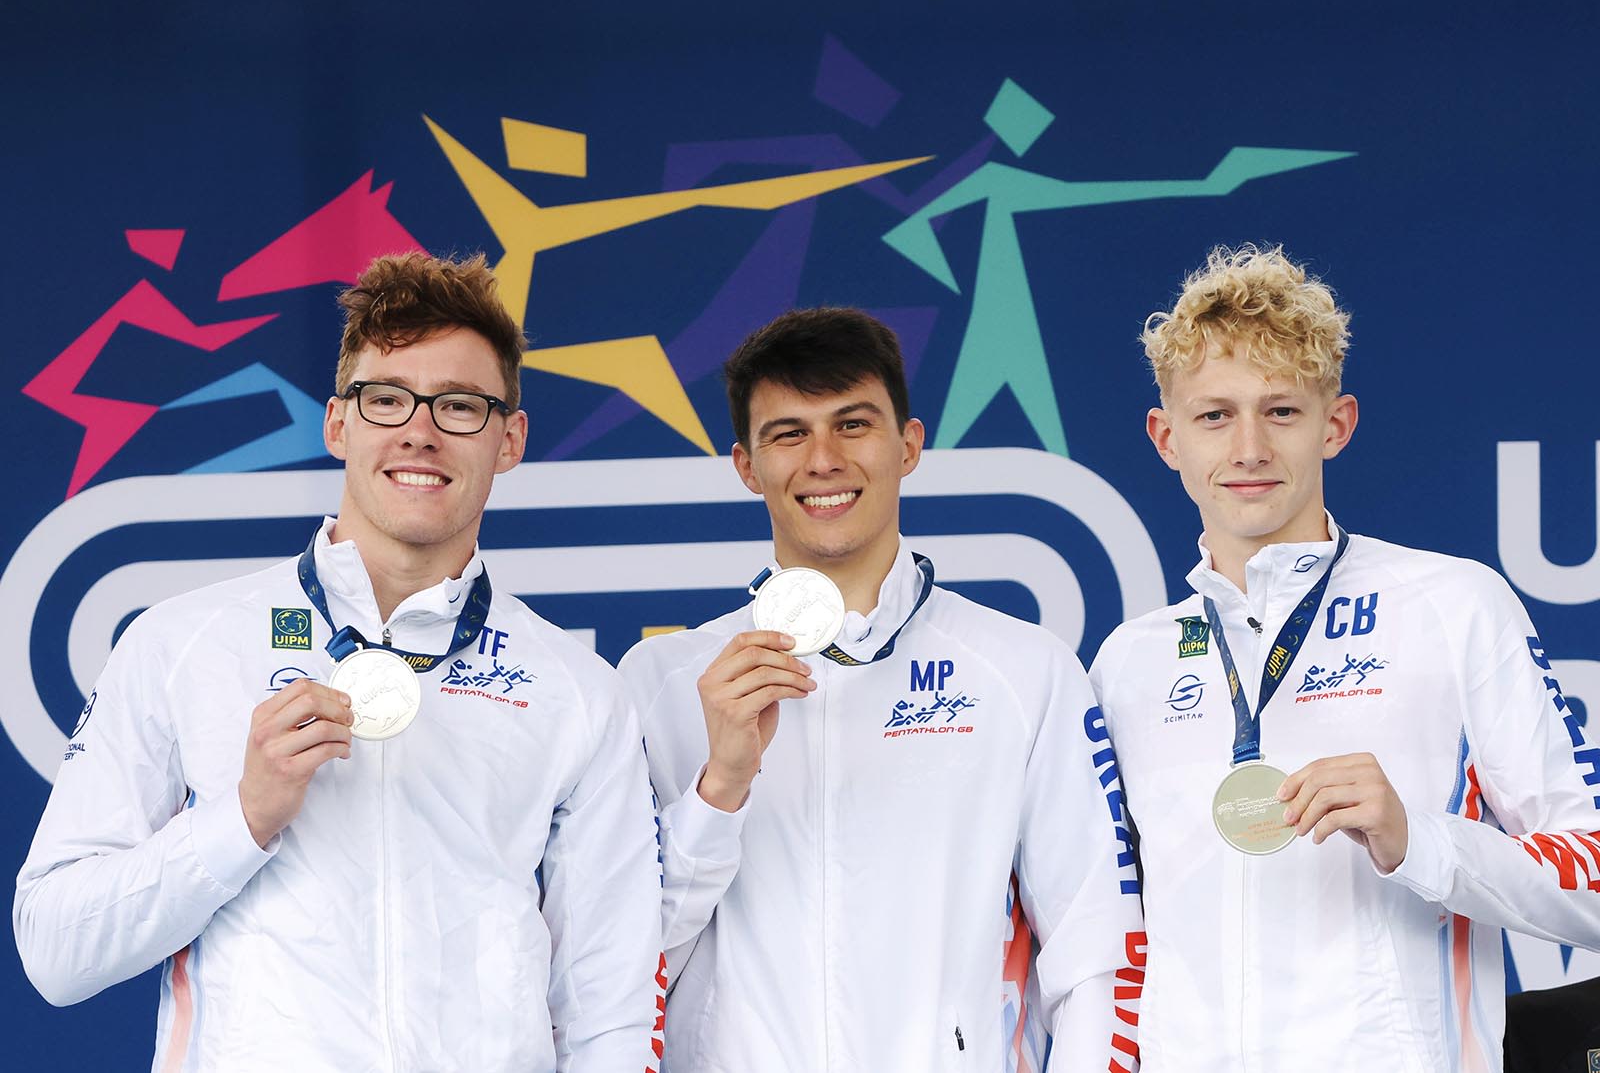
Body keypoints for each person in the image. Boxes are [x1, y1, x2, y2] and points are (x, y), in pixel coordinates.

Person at [13, 252, 663, 1073]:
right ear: (337, 423)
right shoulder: (179, 643)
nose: (418, 431)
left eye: (460, 405)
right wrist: (241, 819)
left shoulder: (577, 690)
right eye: (387, 398)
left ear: (511, 439)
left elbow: (611, 1000)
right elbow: (55, 952)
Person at [1090, 244, 1600, 1071]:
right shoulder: (1127, 665)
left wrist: (1419, 840)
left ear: (1337, 424)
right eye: (1214, 415)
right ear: (1166, 437)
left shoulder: (1453, 605)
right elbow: (1114, 943)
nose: (1248, 448)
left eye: (1281, 411)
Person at [619, 307, 1146, 1072]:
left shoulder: (1024, 670)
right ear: (745, 465)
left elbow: (1097, 952)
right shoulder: (663, 685)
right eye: (789, 433)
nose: (823, 459)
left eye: (852, 424)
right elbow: (615, 963)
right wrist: (719, 788)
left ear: (908, 445)